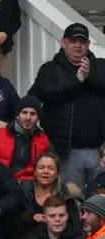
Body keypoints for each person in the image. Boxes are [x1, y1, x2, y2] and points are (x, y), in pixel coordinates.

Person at [28, 23, 105, 188]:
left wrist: (90, 76)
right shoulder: (49, 69)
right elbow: (44, 93)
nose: (77, 45)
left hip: (99, 152)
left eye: (82, 41)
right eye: (73, 41)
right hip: (65, 153)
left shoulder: (100, 66)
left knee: (99, 207)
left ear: (88, 45)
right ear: (63, 42)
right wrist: (76, 81)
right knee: (72, 203)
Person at [0, 95, 51, 180]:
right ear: (17, 115)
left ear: (38, 118)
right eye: (24, 112)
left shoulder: (44, 140)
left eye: (33, 114)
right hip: (2, 186)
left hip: (31, 187)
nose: (28, 117)